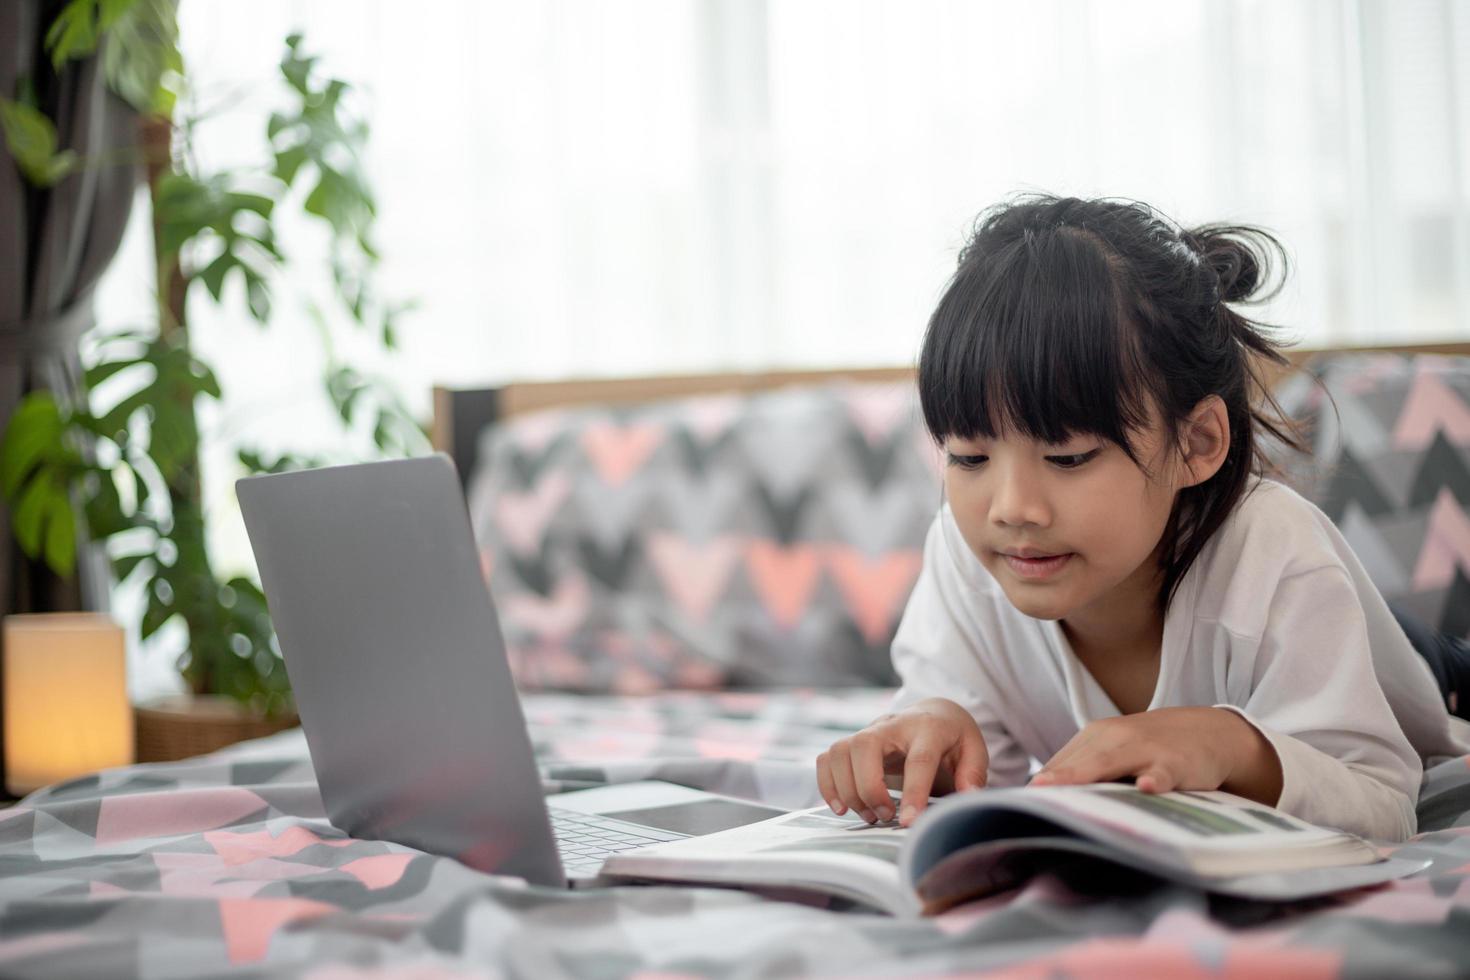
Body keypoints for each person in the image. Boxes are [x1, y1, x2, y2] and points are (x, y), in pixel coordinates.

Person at [814, 194, 1470, 842]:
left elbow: (1383, 797)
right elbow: (974, 744)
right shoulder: (966, 555)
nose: (1012, 508)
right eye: (969, 456)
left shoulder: (1272, 552)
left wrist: (1235, 746)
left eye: (1067, 457)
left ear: (1197, 444)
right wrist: (934, 731)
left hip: (1435, 680)